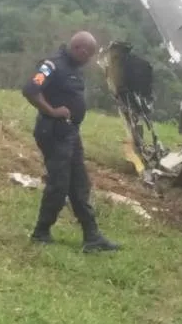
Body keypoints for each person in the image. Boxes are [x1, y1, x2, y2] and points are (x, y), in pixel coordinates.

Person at [22, 31, 120, 253]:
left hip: (70, 133)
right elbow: (30, 89)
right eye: (89, 55)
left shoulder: (74, 68)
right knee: (59, 184)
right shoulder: (52, 66)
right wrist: (52, 111)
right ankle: (41, 232)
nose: (89, 59)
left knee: (80, 184)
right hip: (54, 132)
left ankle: (92, 236)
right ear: (80, 49)